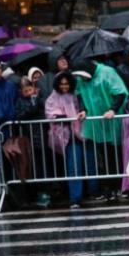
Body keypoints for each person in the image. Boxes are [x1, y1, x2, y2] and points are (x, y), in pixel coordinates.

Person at [72, 59, 128, 201]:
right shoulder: (81, 78)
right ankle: (108, 188)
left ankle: (118, 187)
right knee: (101, 156)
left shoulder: (107, 72)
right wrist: (83, 110)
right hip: (95, 123)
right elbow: (79, 95)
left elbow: (120, 93)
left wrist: (112, 109)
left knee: (115, 154)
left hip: (111, 120)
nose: (82, 79)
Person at [45, 71, 99, 209]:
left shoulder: (78, 94)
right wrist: (66, 117)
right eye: (62, 84)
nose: (64, 86)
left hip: (84, 132)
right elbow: (50, 114)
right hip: (68, 136)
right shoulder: (53, 97)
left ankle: (94, 191)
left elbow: (86, 106)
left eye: (67, 84)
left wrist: (82, 113)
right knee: (74, 167)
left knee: (90, 163)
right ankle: (75, 198)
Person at [15, 76, 50, 207]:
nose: (28, 92)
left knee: (43, 166)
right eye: (25, 91)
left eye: (30, 89)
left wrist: (36, 100)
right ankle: (33, 194)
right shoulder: (19, 102)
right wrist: (31, 108)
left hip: (41, 138)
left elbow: (45, 110)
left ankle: (45, 193)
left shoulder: (40, 99)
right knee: (32, 168)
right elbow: (20, 115)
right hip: (28, 139)